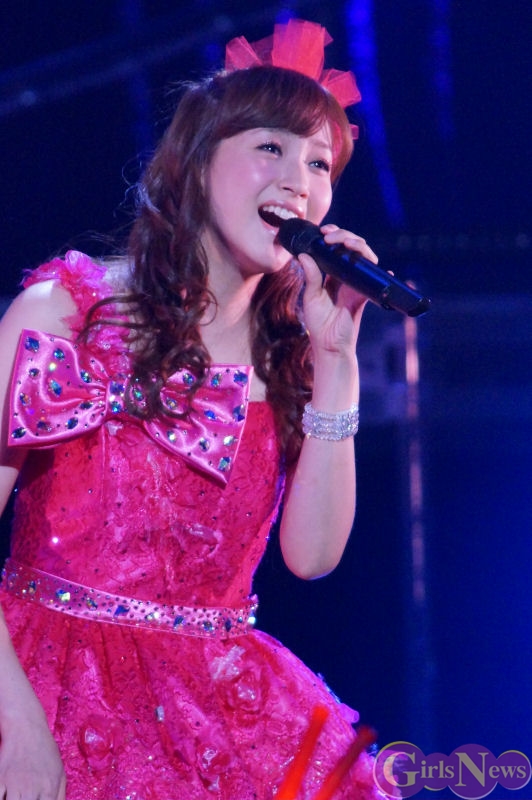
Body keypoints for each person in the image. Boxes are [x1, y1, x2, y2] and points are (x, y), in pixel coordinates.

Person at [0, 18, 388, 800]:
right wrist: (18, 729)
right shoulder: (66, 313)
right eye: (270, 147)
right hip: (40, 680)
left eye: (320, 162)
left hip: (217, 709)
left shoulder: (291, 358)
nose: (299, 180)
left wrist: (337, 364)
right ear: (199, 161)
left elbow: (313, 557)